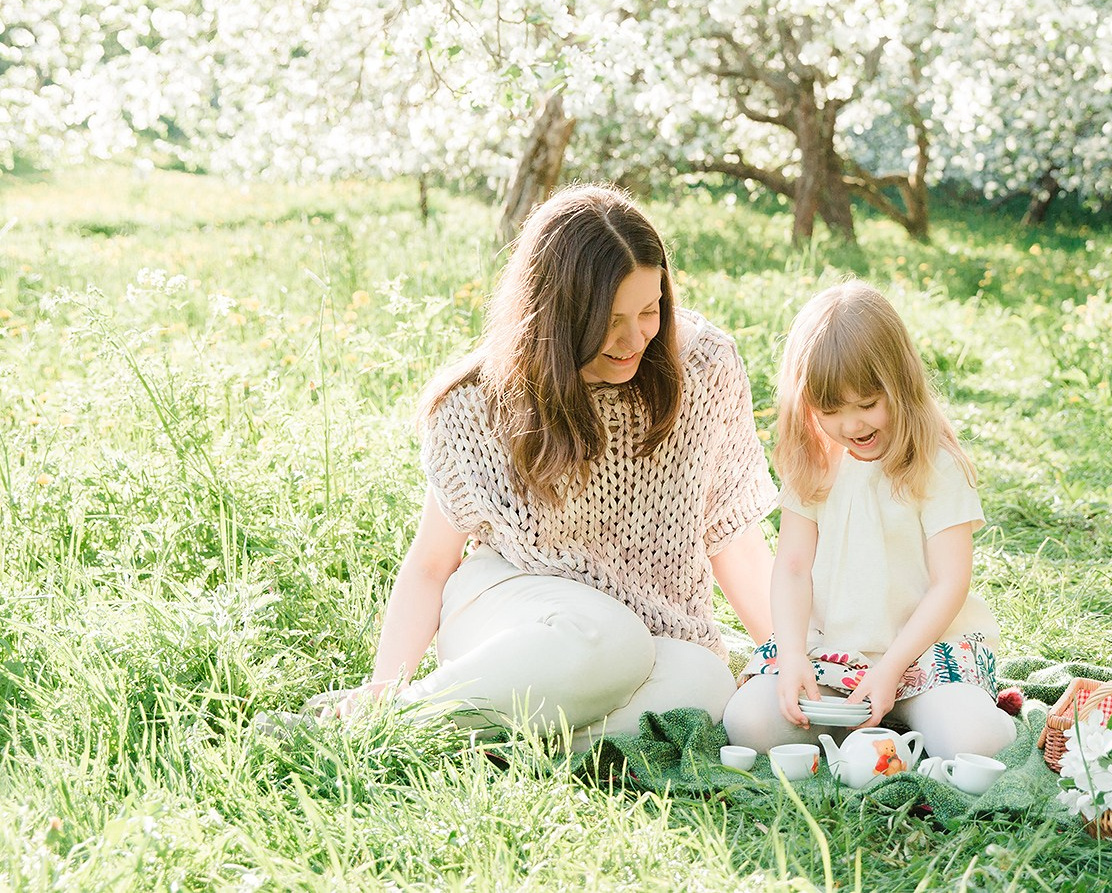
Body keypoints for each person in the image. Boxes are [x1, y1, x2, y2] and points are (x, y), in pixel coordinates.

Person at [326, 185, 777, 743]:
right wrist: (382, 683)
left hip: (647, 632)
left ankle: (497, 744)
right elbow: (431, 564)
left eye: (650, 309)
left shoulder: (704, 368)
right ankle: (386, 721)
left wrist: (788, 655)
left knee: (704, 682)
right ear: (558, 313)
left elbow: (730, 534)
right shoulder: (480, 401)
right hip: (514, 614)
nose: (634, 338)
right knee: (609, 639)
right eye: (609, 319)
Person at [721, 281, 1015, 762]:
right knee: (749, 723)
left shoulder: (935, 464)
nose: (852, 425)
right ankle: (871, 729)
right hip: (833, 653)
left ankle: (907, 720)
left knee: (975, 743)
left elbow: (950, 582)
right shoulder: (815, 461)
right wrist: (792, 656)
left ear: (900, 384)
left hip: (922, 656)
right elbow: (792, 567)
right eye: (831, 410)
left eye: (868, 404)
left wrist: (891, 670)